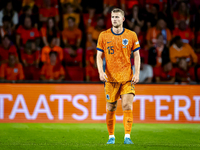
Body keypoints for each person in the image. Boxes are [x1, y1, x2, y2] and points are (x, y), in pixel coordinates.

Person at [96, 8, 140, 144]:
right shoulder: (103, 35)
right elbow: (99, 56)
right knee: (111, 108)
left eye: (117, 17)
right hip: (110, 78)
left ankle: (127, 136)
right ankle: (111, 136)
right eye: (112, 17)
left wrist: (137, 72)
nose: (114, 19)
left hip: (127, 77)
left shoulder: (131, 35)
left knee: (127, 105)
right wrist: (100, 71)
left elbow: (137, 55)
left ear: (123, 19)